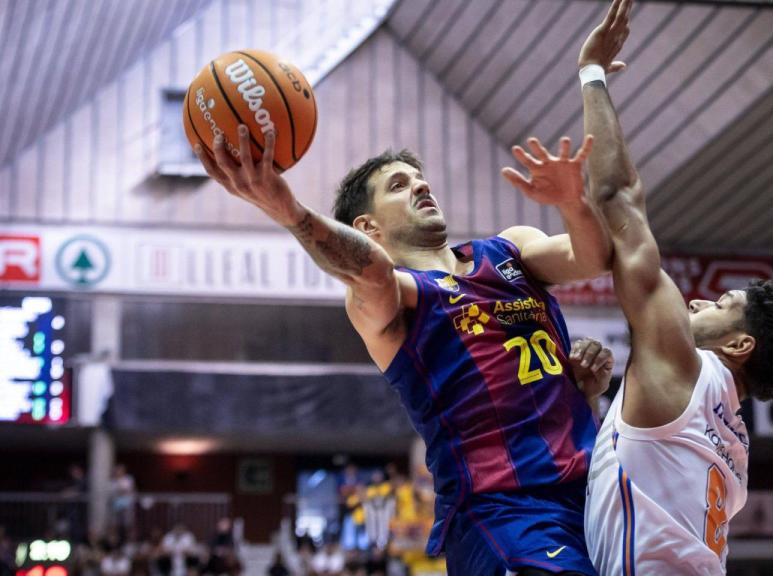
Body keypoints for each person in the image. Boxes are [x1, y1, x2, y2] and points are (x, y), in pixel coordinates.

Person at [194, 84, 614, 572]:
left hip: (599, 490)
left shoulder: (508, 250)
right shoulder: (391, 299)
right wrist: (289, 211)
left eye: (419, 179)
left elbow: (596, 256)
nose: (420, 185)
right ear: (368, 227)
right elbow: (368, 270)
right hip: (506, 511)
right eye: (398, 185)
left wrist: (572, 201)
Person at [574, 1, 773, 574]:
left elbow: (616, 199)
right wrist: (590, 406)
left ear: (738, 346)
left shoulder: (683, 364)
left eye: (724, 304)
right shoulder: (733, 453)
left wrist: (591, 72)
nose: (701, 301)